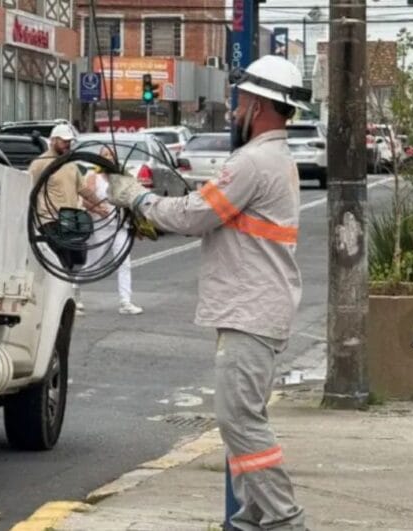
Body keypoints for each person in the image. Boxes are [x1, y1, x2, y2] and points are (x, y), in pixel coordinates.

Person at [105, 55, 309, 531]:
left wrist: (136, 198)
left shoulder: (253, 162)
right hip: (256, 307)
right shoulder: (272, 159)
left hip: (250, 310)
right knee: (242, 423)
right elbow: (210, 211)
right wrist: (159, 207)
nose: (235, 110)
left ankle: (283, 520)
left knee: (240, 421)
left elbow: (195, 215)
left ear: (258, 106)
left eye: (241, 101)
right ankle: (252, 519)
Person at [27, 124, 97, 275]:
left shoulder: (70, 164)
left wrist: (99, 204)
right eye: (64, 141)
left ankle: (68, 283)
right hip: (49, 219)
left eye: (69, 141)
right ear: (53, 140)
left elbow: (82, 189)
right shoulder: (40, 164)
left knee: (77, 258)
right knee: (62, 258)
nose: (67, 144)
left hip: (70, 220)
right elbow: (28, 189)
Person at [81, 146, 143, 315]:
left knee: (124, 263)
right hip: (100, 226)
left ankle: (125, 302)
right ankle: (73, 293)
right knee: (93, 264)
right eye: (105, 155)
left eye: (111, 155)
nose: (108, 157)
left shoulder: (121, 176)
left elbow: (132, 199)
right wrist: (97, 209)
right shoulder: (93, 177)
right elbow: (83, 198)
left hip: (120, 226)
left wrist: (137, 224)